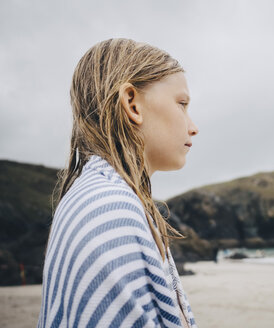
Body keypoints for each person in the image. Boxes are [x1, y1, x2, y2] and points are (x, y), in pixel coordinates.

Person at [38, 38, 199, 328]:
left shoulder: (92, 195)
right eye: (182, 104)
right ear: (132, 103)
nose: (193, 126)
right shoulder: (110, 211)